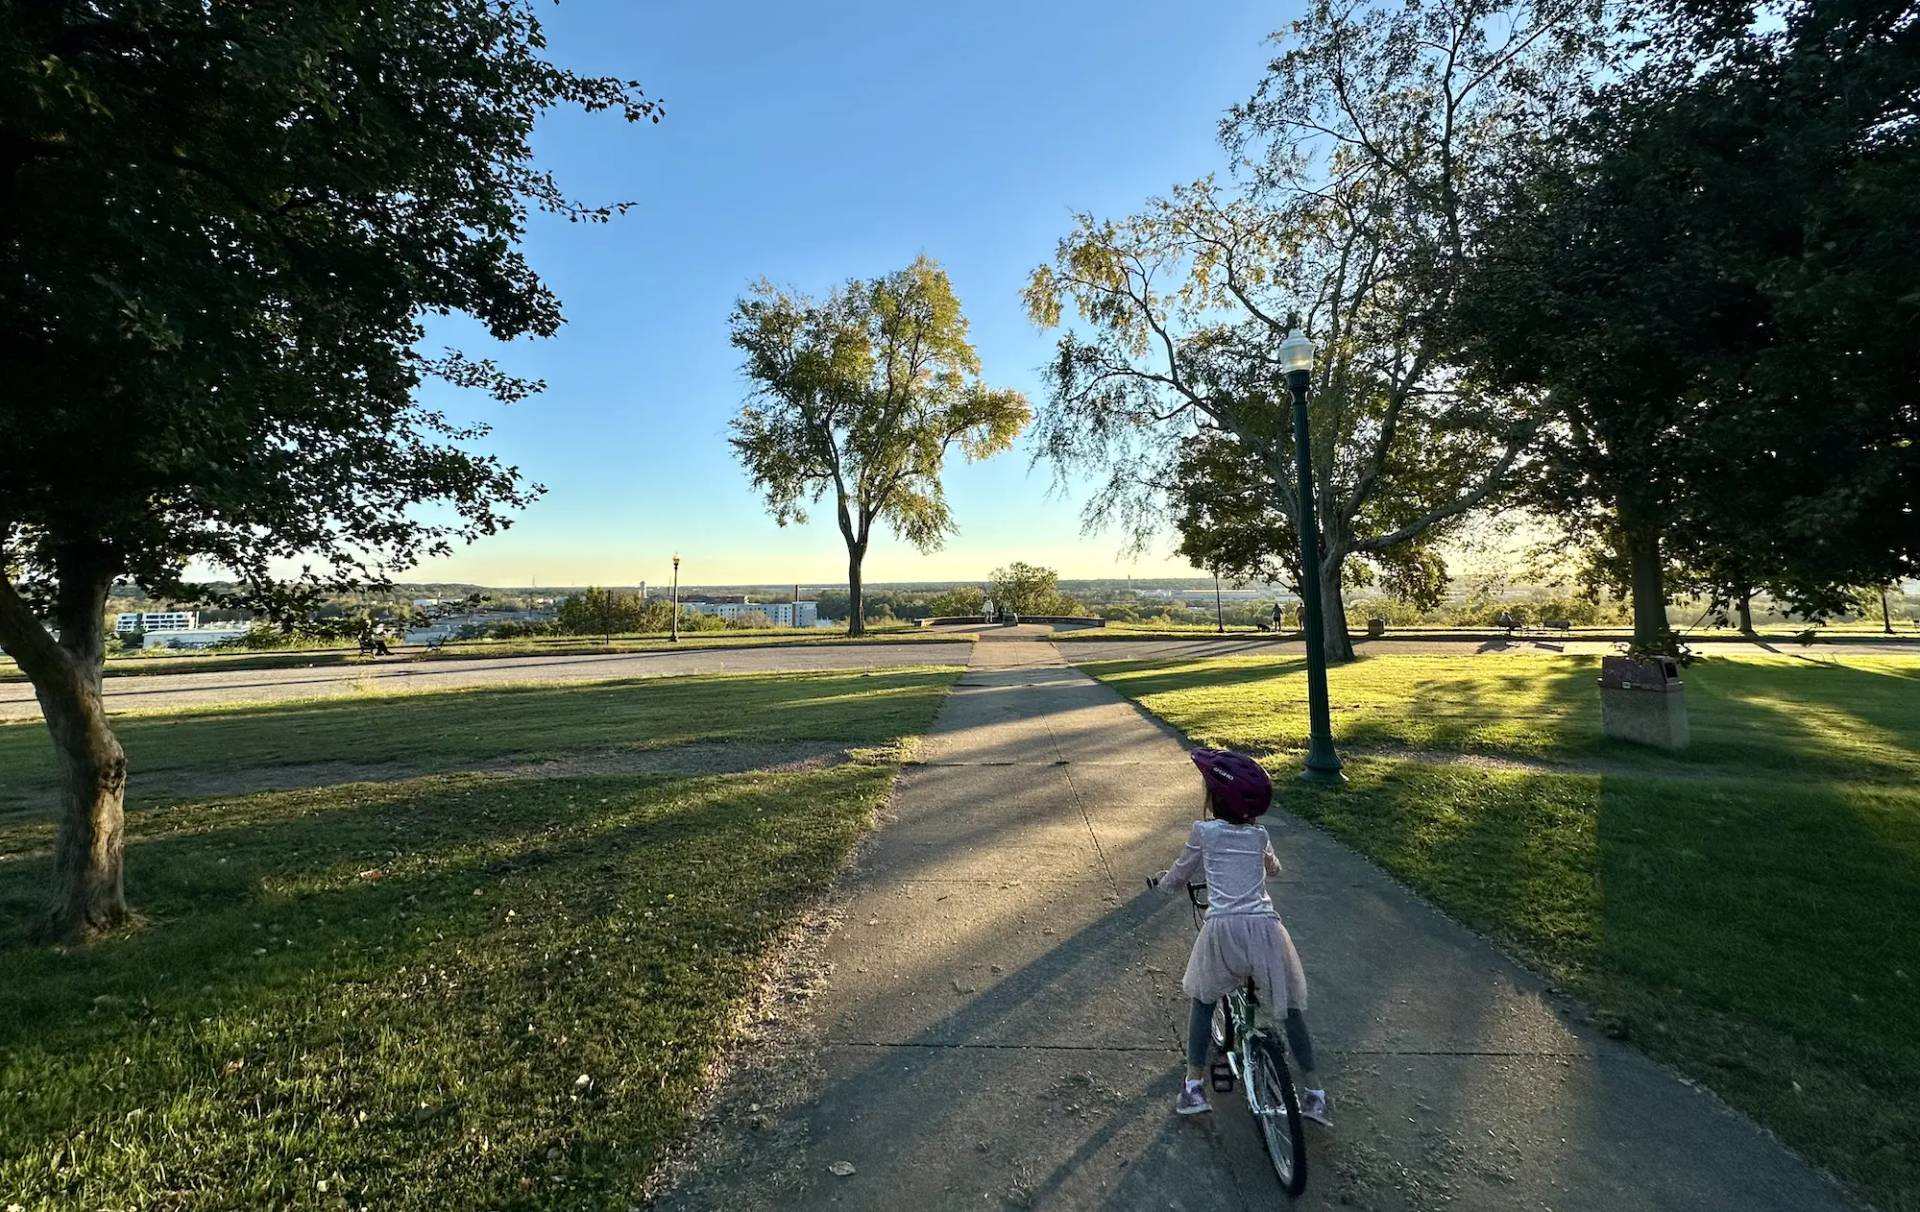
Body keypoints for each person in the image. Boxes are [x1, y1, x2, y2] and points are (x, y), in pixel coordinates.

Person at [1151, 748, 1330, 1125]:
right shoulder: (1259, 834)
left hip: (1223, 931)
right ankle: (1315, 1093)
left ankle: (1194, 1086)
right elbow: (1275, 870)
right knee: (1289, 1006)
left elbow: (1179, 875)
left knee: (1202, 999)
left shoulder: (1204, 832)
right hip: (1265, 929)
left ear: (1214, 799)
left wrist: (1162, 885)